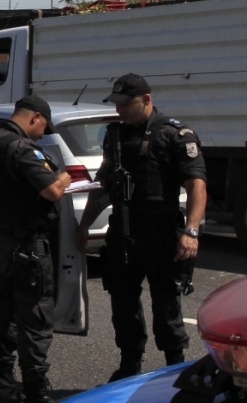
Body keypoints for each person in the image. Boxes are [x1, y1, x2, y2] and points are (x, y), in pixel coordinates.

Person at [76, 73, 206, 382]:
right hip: (123, 230)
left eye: (125, 104)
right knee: (123, 303)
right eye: (116, 104)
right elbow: (103, 183)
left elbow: (197, 185)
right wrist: (83, 226)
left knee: (166, 304)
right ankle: (129, 365)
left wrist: (191, 231)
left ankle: (174, 368)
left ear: (146, 100)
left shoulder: (174, 134)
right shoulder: (115, 136)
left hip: (161, 232)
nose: (119, 110)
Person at [0, 95, 71, 403]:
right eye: (44, 126)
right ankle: (36, 393)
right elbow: (53, 191)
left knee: (3, 315)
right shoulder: (21, 149)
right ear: (34, 117)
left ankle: (1, 389)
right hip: (27, 248)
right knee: (36, 320)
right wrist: (65, 177)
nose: (43, 133)